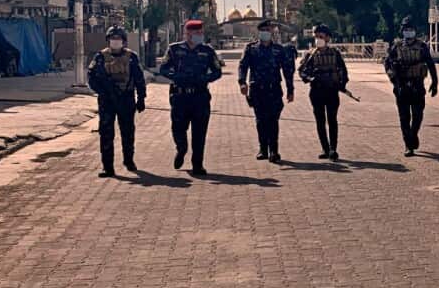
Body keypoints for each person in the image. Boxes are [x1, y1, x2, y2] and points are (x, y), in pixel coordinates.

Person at [158, 19, 223, 176]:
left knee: (199, 132)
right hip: (180, 96)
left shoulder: (207, 51)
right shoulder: (174, 49)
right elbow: (163, 69)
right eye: (196, 33)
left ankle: (197, 164)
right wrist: (176, 77)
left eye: (201, 33)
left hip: (200, 96)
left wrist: (205, 79)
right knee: (178, 128)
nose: (200, 35)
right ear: (187, 34)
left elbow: (217, 71)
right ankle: (181, 148)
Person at [87, 26, 146, 177]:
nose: (115, 42)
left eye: (118, 39)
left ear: (124, 41)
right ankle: (108, 167)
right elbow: (91, 78)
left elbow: (139, 78)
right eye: (113, 39)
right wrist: (103, 91)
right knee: (106, 133)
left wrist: (141, 98)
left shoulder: (131, 57)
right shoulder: (100, 57)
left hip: (126, 98)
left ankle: (129, 160)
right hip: (107, 101)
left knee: (127, 132)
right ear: (108, 40)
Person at [238, 19, 295, 162]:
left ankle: (274, 150)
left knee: (273, 120)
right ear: (260, 31)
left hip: (274, 90)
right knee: (260, 120)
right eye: (265, 30)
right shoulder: (251, 48)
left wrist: (290, 89)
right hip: (257, 90)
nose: (267, 33)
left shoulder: (278, 49)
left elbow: (287, 70)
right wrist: (242, 82)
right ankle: (263, 149)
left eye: (270, 30)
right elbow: (243, 66)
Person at [384, 16, 438, 157]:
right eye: (406, 29)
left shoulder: (422, 46)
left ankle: (413, 134)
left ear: (415, 31)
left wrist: (435, 82)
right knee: (404, 117)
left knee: (418, 114)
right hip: (401, 85)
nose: (409, 32)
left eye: (411, 29)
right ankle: (408, 145)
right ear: (402, 30)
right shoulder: (396, 46)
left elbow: (430, 64)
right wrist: (393, 78)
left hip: (417, 84)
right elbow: (387, 64)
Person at [298, 24, 349, 160]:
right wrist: (310, 78)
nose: (318, 39)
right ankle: (325, 149)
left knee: (332, 120)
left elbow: (343, 71)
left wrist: (341, 84)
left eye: (321, 36)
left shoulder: (335, 53)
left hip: (332, 91)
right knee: (320, 121)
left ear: (327, 37)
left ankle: (333, 149)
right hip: (317, 92)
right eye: (316, 36)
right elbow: (301, 71)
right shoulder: (310, 54)